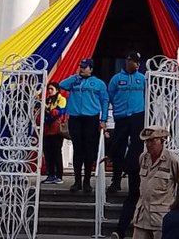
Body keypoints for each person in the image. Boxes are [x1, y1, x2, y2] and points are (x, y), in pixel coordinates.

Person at [58, 59, 108, 194]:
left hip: (91, 117)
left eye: (84, 67)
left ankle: (87, 181)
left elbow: (104, 101)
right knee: (77, 149)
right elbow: (62, 84)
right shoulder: (74, 81)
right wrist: (75, 77)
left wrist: (103, 120)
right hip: (75, 117)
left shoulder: (99, 83)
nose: (81, 69)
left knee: (89, 150)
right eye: (80, 67)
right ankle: (77, 181)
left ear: (91, 69)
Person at [107, 52, 146, 195]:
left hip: (137, 116)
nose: (137, 64)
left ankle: (135, 180)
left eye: (138, 62)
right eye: (135, 61)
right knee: (118, 147)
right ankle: (116, 180)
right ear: (128, 61)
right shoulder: (116, 79)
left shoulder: (142, 78)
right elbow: (110, 96)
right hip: (121, 117)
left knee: (137, 148)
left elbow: (148, 96)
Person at [42, 82, 67, 184]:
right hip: (47, 130)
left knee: (56, 152)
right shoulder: (47, 100)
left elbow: (59, 112)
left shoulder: (61, 99)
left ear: (57, 90)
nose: (50, 91)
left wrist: (47, 108)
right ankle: (50, 174)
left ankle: (59, 175)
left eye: (52, 89)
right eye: (48, 89)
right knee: (47, 153)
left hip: (56, 130)